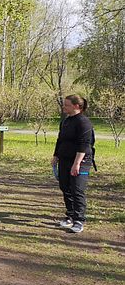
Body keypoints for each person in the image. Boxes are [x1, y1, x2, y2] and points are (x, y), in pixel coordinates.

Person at [52, 94, 94, 234]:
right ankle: (70, 215)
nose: (64, 107)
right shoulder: (65, 121)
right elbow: (60, 140)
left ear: (77, 106)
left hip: (81, 161)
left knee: (77, 189)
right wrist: (56, 156)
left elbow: (84, 145)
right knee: (65, 187)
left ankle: (79, 220)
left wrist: (76, 164)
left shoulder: (84, 122)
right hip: (65, 159)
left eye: (67, 105)